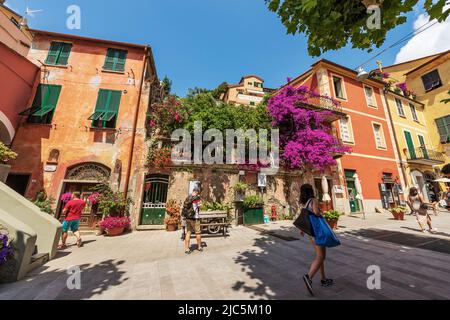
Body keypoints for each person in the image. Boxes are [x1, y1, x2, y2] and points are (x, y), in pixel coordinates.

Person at [299, 184, 335, 296]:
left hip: (310, 232)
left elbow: (304, 217)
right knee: (321, 256)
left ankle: (323, 279)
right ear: (311, 190)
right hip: (317, 231)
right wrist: (322, 214)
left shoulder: (304, 203)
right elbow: (315, 212)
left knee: (320, 256)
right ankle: (308, 277)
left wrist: (302, 230)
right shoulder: (313, 200)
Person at [182, 187, 202, 254]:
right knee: (198, 232)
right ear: (197, 192)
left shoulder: (188, 197)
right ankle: (199, 247)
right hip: (195, 218)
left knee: (188, 232)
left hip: (187, 218)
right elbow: (200, 207)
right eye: (198, 192)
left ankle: (187, 249)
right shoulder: (197, 198)